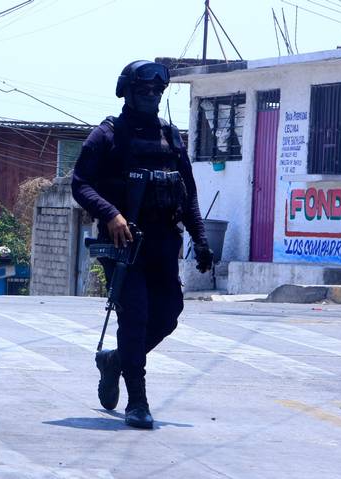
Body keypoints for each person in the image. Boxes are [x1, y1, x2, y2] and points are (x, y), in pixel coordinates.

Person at [71, 60, 213, 429]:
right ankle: (137, 400)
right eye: (144, 90)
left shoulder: (171, 136)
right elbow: (81, 184)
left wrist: (200, 241)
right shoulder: (107, 135)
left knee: (167, 316)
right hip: (124, 245)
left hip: (164, 242)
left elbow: (189, 195)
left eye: (157, 91)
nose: (151, 96)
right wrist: (110, 214)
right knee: (134, 317)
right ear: (128, 92)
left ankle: (116, 361)